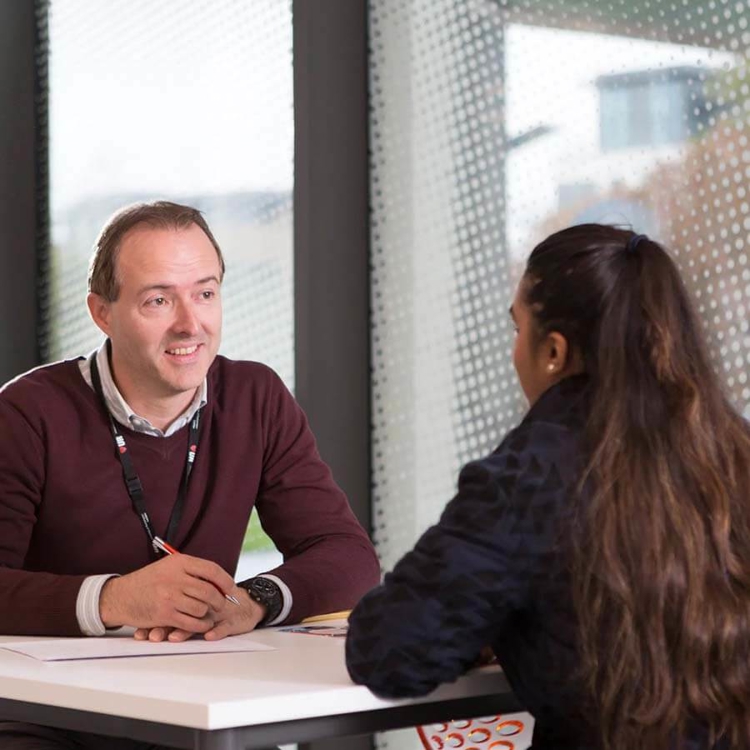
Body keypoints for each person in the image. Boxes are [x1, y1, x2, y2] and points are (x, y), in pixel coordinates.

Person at [345, 224, 750, 750]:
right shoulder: (732, 453)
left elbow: (387, 649)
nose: (515, 351)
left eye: (518, 330)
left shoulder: (531, 476)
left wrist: (493, 619)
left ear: (554, 351)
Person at [0, 200, 380, 749]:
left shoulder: (256, 397)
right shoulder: (27, 413)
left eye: (205, 293)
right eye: (158, 299)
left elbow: (348, 556)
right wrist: (117, 599)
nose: (190, 323)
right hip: (53, 720)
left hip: (200, 710)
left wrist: (252, 602)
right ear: (102, 313)